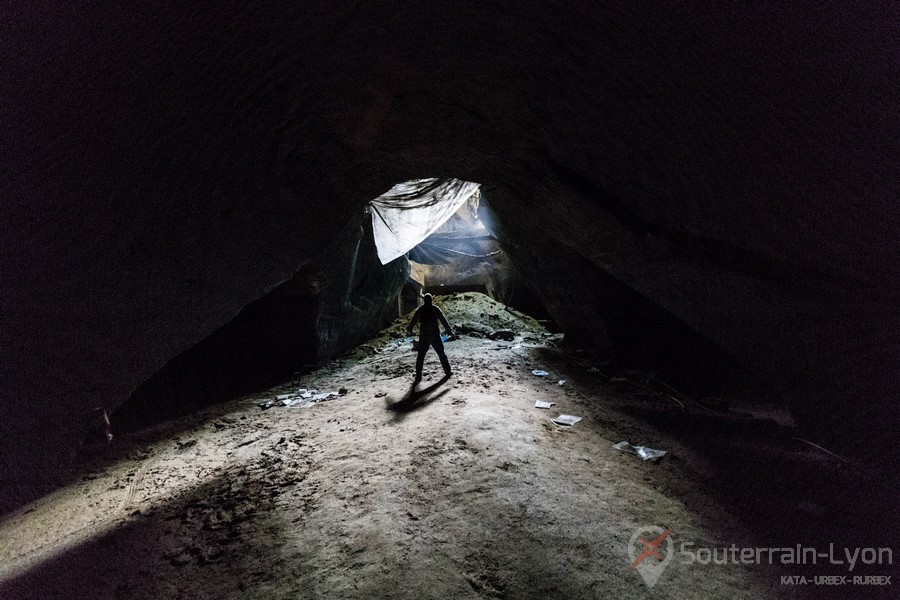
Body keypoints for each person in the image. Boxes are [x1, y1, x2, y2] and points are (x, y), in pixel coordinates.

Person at [406, 293, 455, 382]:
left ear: (424, 301)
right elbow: (443, 320)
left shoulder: (421, 309)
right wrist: (449, 331)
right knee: (441, 354)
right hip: (435, 335)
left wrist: (409, 329)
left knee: (421, 356)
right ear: (431, 300)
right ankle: (447, 372)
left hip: (424, 335)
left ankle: (418, 376)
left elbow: (413, 320)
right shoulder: (435, 309)